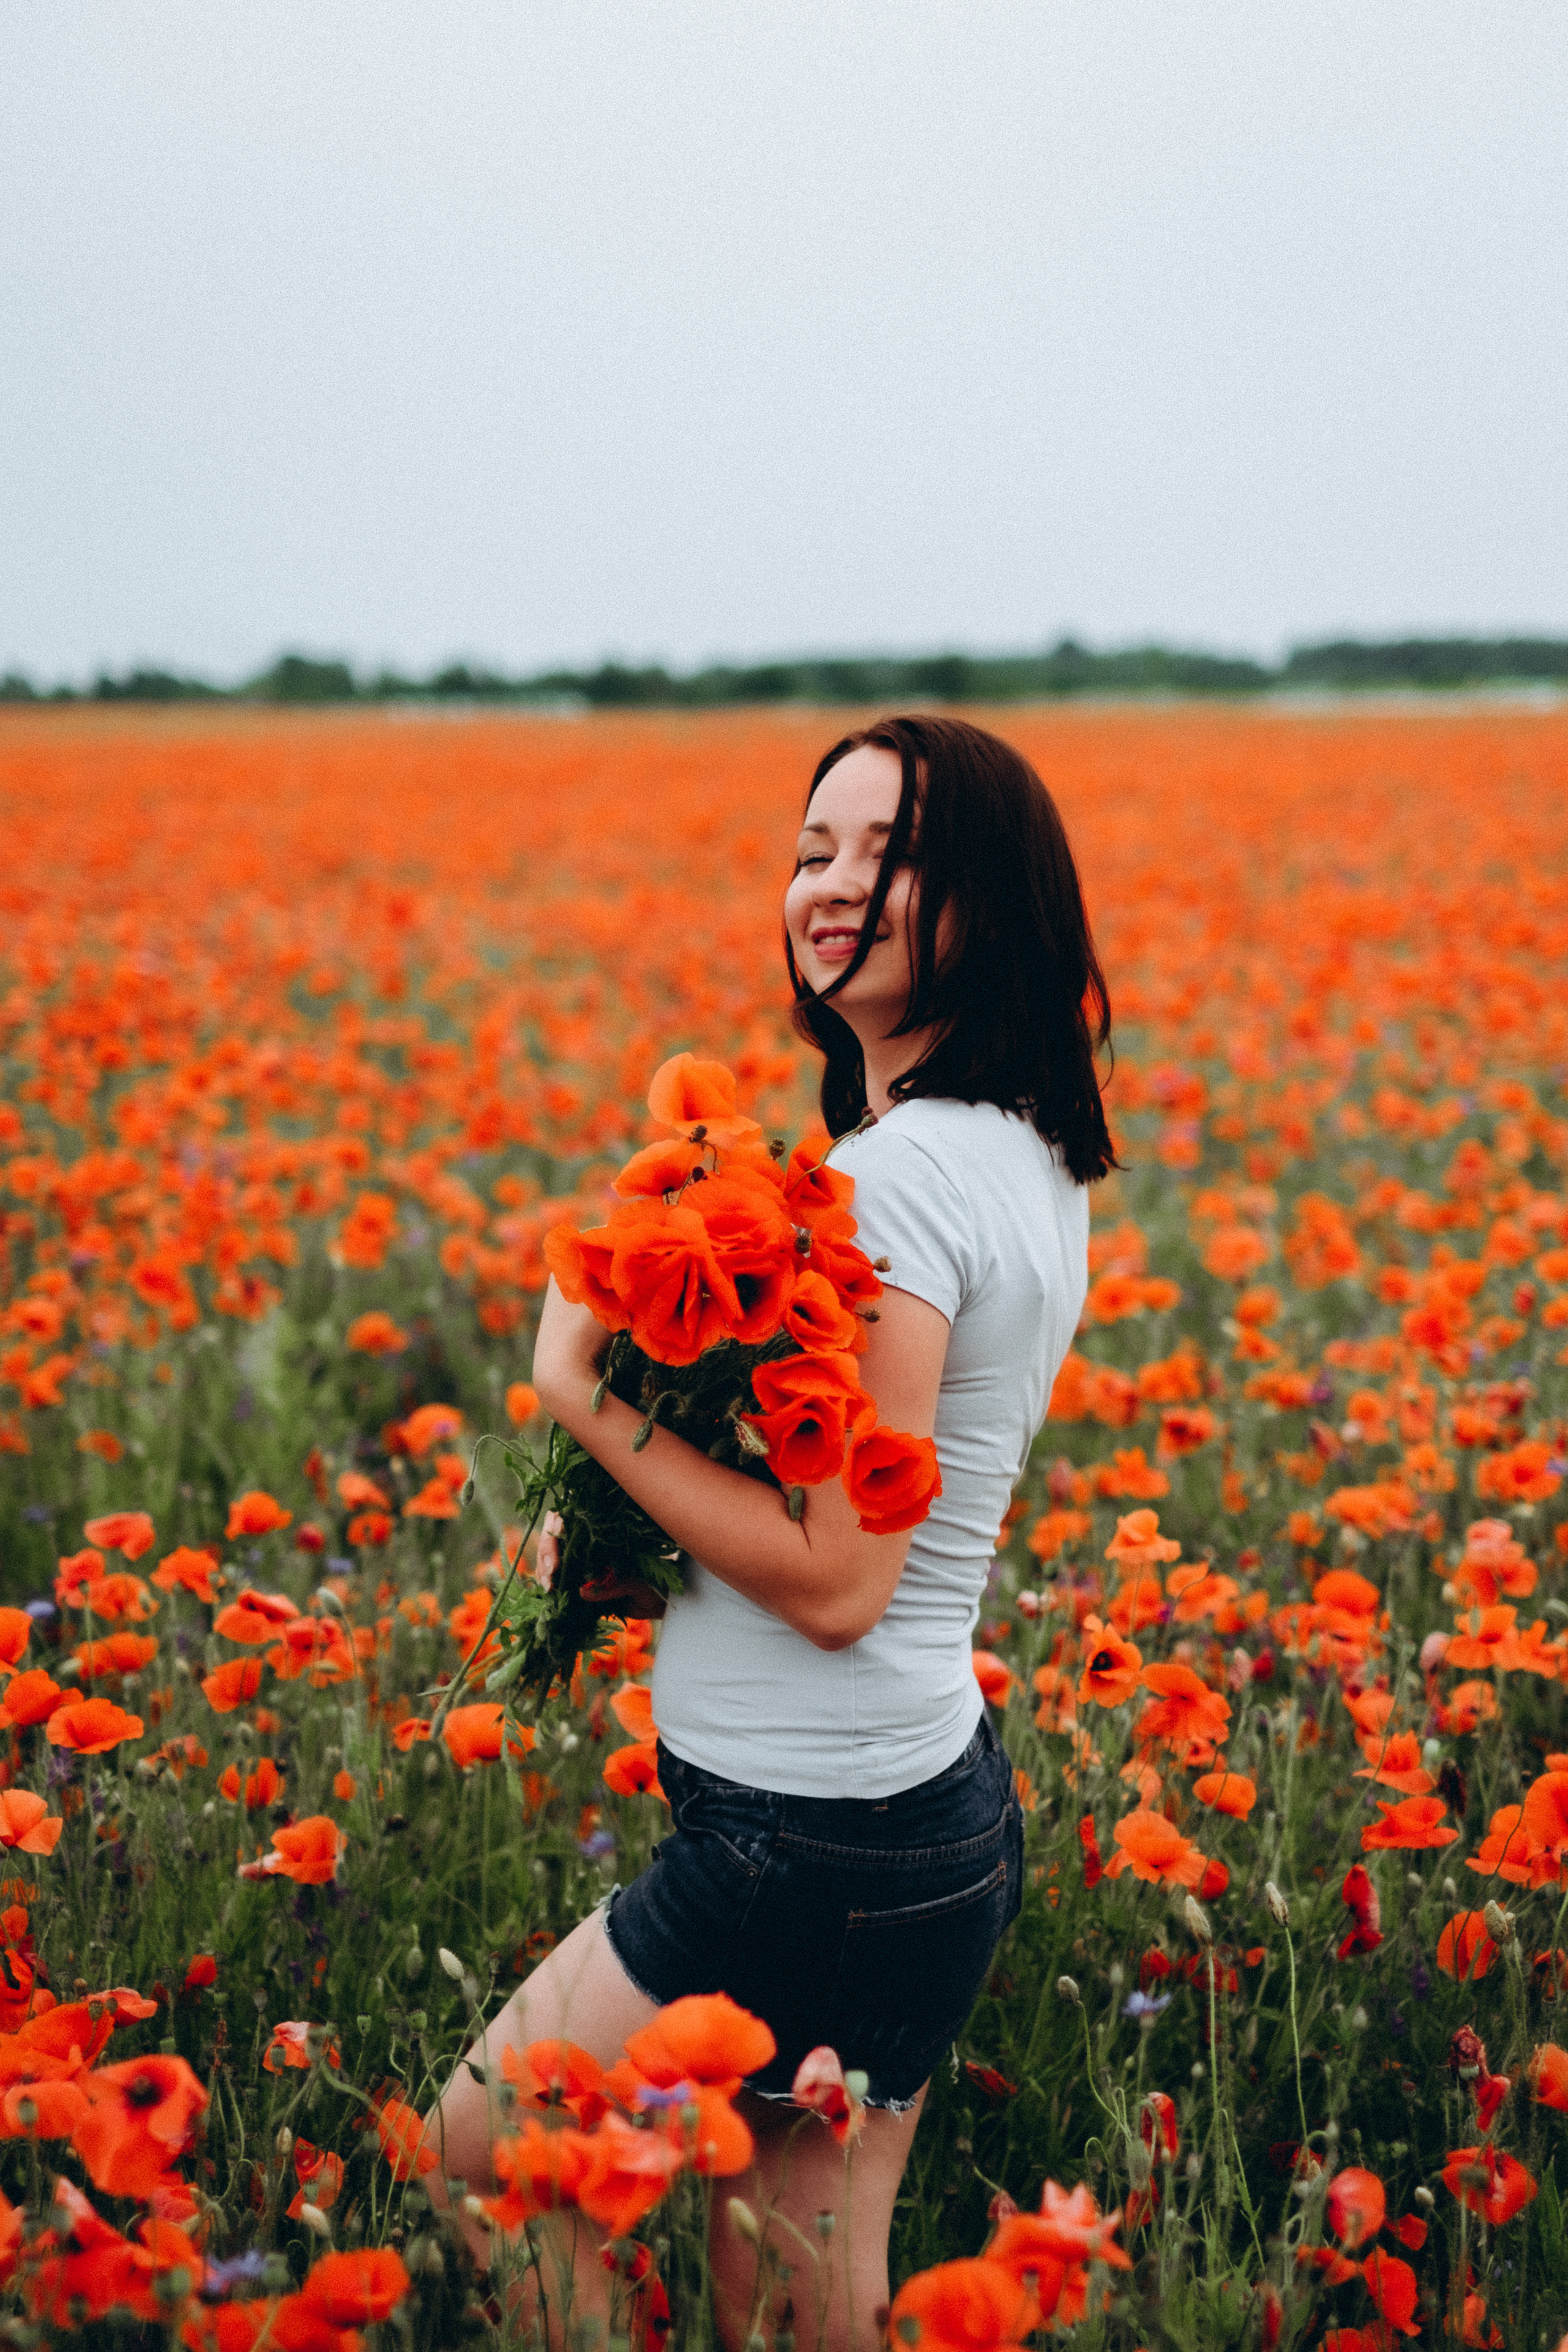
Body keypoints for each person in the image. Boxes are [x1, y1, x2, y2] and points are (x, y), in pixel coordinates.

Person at [429, 713, 1114, 2348]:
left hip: (811, 1847)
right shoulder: (1019, 1151)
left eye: (891, 854)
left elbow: (834, 1574)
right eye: (816, 850)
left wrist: (581, 1389)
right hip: (922, 1820)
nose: (835, 886)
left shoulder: (900, 1185)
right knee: (801, 2302)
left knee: (483, 2156)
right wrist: (634, 1519)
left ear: (994, 899)